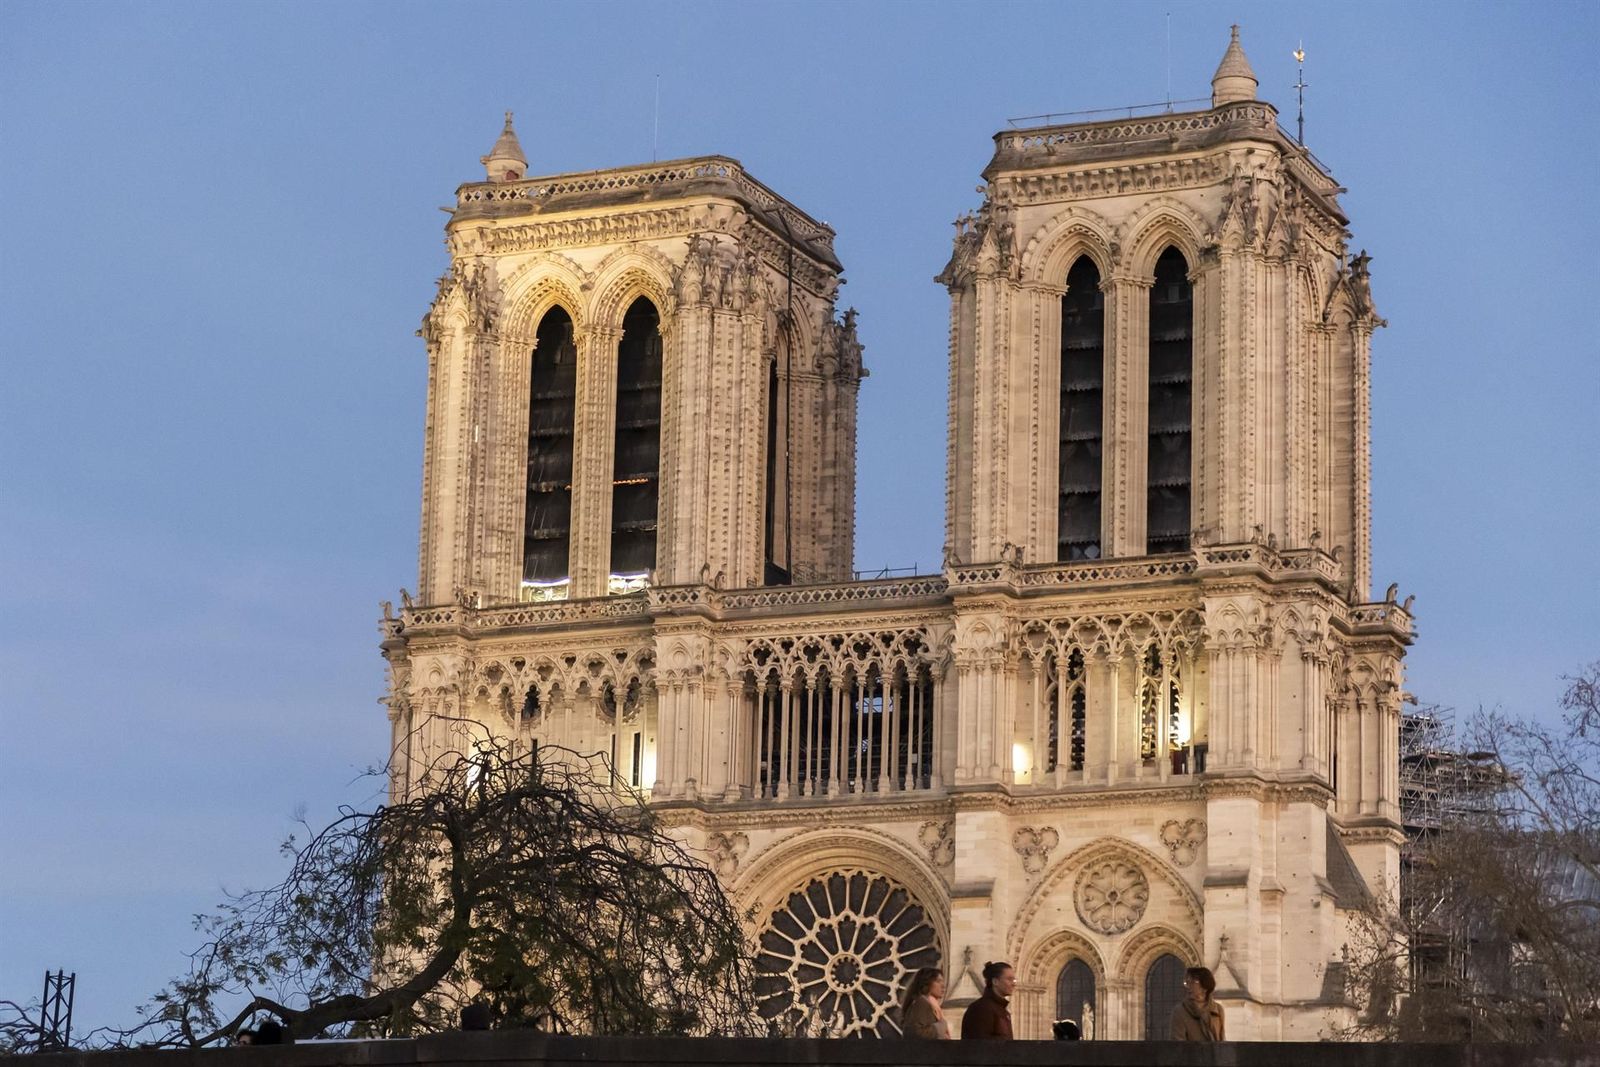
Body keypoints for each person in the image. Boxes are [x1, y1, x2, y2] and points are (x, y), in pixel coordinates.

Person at [959, 960, 1014, 1039]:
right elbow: (979, 1044)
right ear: (995, 981)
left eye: (1014, 980)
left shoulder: (1002, 1010)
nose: (1013, 984)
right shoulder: (981, 1008)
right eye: (1009, 979)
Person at [1170, 965, 1225, 1041]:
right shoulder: (1180, 1011)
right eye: (1187, 983)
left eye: (1193, 982)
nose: (1188, 986)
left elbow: (1222, 1040)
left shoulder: (1218, 1009)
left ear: (1205, 987)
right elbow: (1178, 1044)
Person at [899, 968, 950, 1039]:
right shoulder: (921, 1002)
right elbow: (915, 1033)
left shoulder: (929, 1003)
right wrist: (940, 1028)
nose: (943, 986)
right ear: (927, 983)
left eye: (942, 981)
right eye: (938, 981)